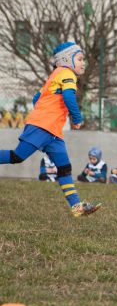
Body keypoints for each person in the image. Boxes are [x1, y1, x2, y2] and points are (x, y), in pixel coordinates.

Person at [0, 41, 100, 217]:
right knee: (17, 157)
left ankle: (77, 207)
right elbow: (69, 96)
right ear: (66, 60)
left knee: (64, 168)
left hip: (52, 132)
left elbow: (36, 98)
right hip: (42, 127)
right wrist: (77, 118)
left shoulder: (55, 75)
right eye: (80, 58)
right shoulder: (67, 73)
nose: (83, 62)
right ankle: (76, 206)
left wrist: (48, 112)